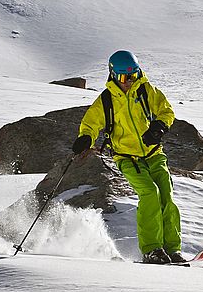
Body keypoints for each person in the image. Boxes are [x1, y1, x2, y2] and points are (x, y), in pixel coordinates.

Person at [72, 50, 183, 264]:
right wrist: (85, 138)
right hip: (127, 158)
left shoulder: (146, 90)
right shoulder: (106, 100)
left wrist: (159, 127)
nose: (129, 82)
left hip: (154, 154)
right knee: (150, 193)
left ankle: (172, 249)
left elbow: (166, 111)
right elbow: (91, 123)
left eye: (133, 75)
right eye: (125, 77)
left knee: (166, 196)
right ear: (114, 75)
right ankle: (152, 249)